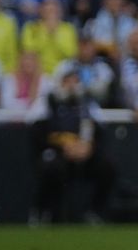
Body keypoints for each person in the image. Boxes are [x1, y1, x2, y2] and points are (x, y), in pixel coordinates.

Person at [29, 64, 117, 224]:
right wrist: (62, 145)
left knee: (107, 166)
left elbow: (98, 129)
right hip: (57, 151)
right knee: (51, 167)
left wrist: (88, 145)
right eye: (67, 80)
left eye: (75, 80)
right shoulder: (46, 102)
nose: (72, 84)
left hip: (82, 152)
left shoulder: (87, 103)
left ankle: (94, 211)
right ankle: (44, 211)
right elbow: (37, 133)